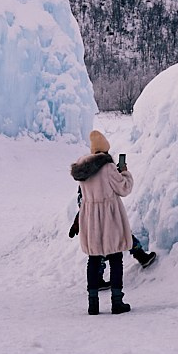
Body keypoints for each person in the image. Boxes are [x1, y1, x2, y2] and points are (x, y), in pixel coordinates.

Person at [70, 130, 135, 315]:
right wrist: (124, 172)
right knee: (115, 259)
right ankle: (117, 302)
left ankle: (93, 304)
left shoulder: (83, 170)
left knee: (93, 259)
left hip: (90, 217)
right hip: (109, 218)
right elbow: (124, 188)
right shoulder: (108, 168)